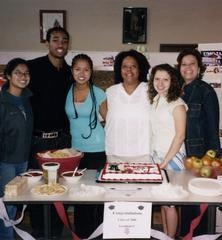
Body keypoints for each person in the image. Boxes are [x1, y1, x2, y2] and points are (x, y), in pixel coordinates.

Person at [27, 26, 72, 239]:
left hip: (62, 141)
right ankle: (39, 233)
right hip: (37, 141)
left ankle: (56, 231)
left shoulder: (70, 72)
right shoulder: (32, 68)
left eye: (64, 40)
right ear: (47, 42)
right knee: (37, 189)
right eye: (55, 39)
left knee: (59, 188)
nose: (60, 44)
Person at [176, 48, 222, 236]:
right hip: (177, 154)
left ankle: (197, 236)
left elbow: (213, 128)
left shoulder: (206, 92)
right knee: (183, 200)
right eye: (184, 64)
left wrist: (211, 158)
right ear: (179, 67)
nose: (188, 68)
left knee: (197, 203)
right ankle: (185, 235)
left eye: (192, 64)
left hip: (198, 156)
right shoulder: (174, 89)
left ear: (199, 67)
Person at [65, 53, 107, 238]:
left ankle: (97, 233)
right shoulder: (66, 91)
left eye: (86, 69)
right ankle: (82, 234)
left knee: (96, 195)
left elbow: (110, 120)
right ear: (72, 71)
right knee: (79, 195)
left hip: (97, 148)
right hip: (75, 151)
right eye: (77, 69)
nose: (82, 73)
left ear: (91, 71)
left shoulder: (98, 92)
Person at [148, 64, 187, 238]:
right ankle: (165, 235)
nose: (161, 83)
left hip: (173, 157)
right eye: (157, 79)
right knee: (163, 200)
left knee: (170, 202)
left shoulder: (177, 103)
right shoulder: (156, 99)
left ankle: (170, 237)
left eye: (165, 79)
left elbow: (180, 136)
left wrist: (165, 161)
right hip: (157, 156)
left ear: (172, 82)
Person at [0, 58, 33, 240]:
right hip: (6, 163)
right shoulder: (2, 102)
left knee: (15, 204)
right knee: (7, 206)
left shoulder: (27, 99)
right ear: (8, 76)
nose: (23, 76)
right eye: (18, 73)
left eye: (26, 73)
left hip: (23, 161)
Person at [105, 49, 151, 163]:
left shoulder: (151, 90)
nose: (129, 70)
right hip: (115, 154)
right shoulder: (110, 92)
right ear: (119, 70)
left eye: (133, 66)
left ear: (140, 69)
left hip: (144, 153)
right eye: (124, 66)